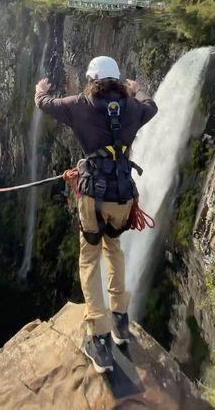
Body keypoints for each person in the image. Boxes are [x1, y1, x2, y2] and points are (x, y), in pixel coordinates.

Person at [35, 56, 158, 373]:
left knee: (89, 257)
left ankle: (100, 340)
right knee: (113, 248)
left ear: (91, 79)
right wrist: (138, 90)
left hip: (93, 195)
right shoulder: (132, 106)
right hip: (123, 195)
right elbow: (151, 106)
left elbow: (45, 104)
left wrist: (40, 90)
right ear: (118, 80)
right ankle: (119, 319)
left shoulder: (80, 103)